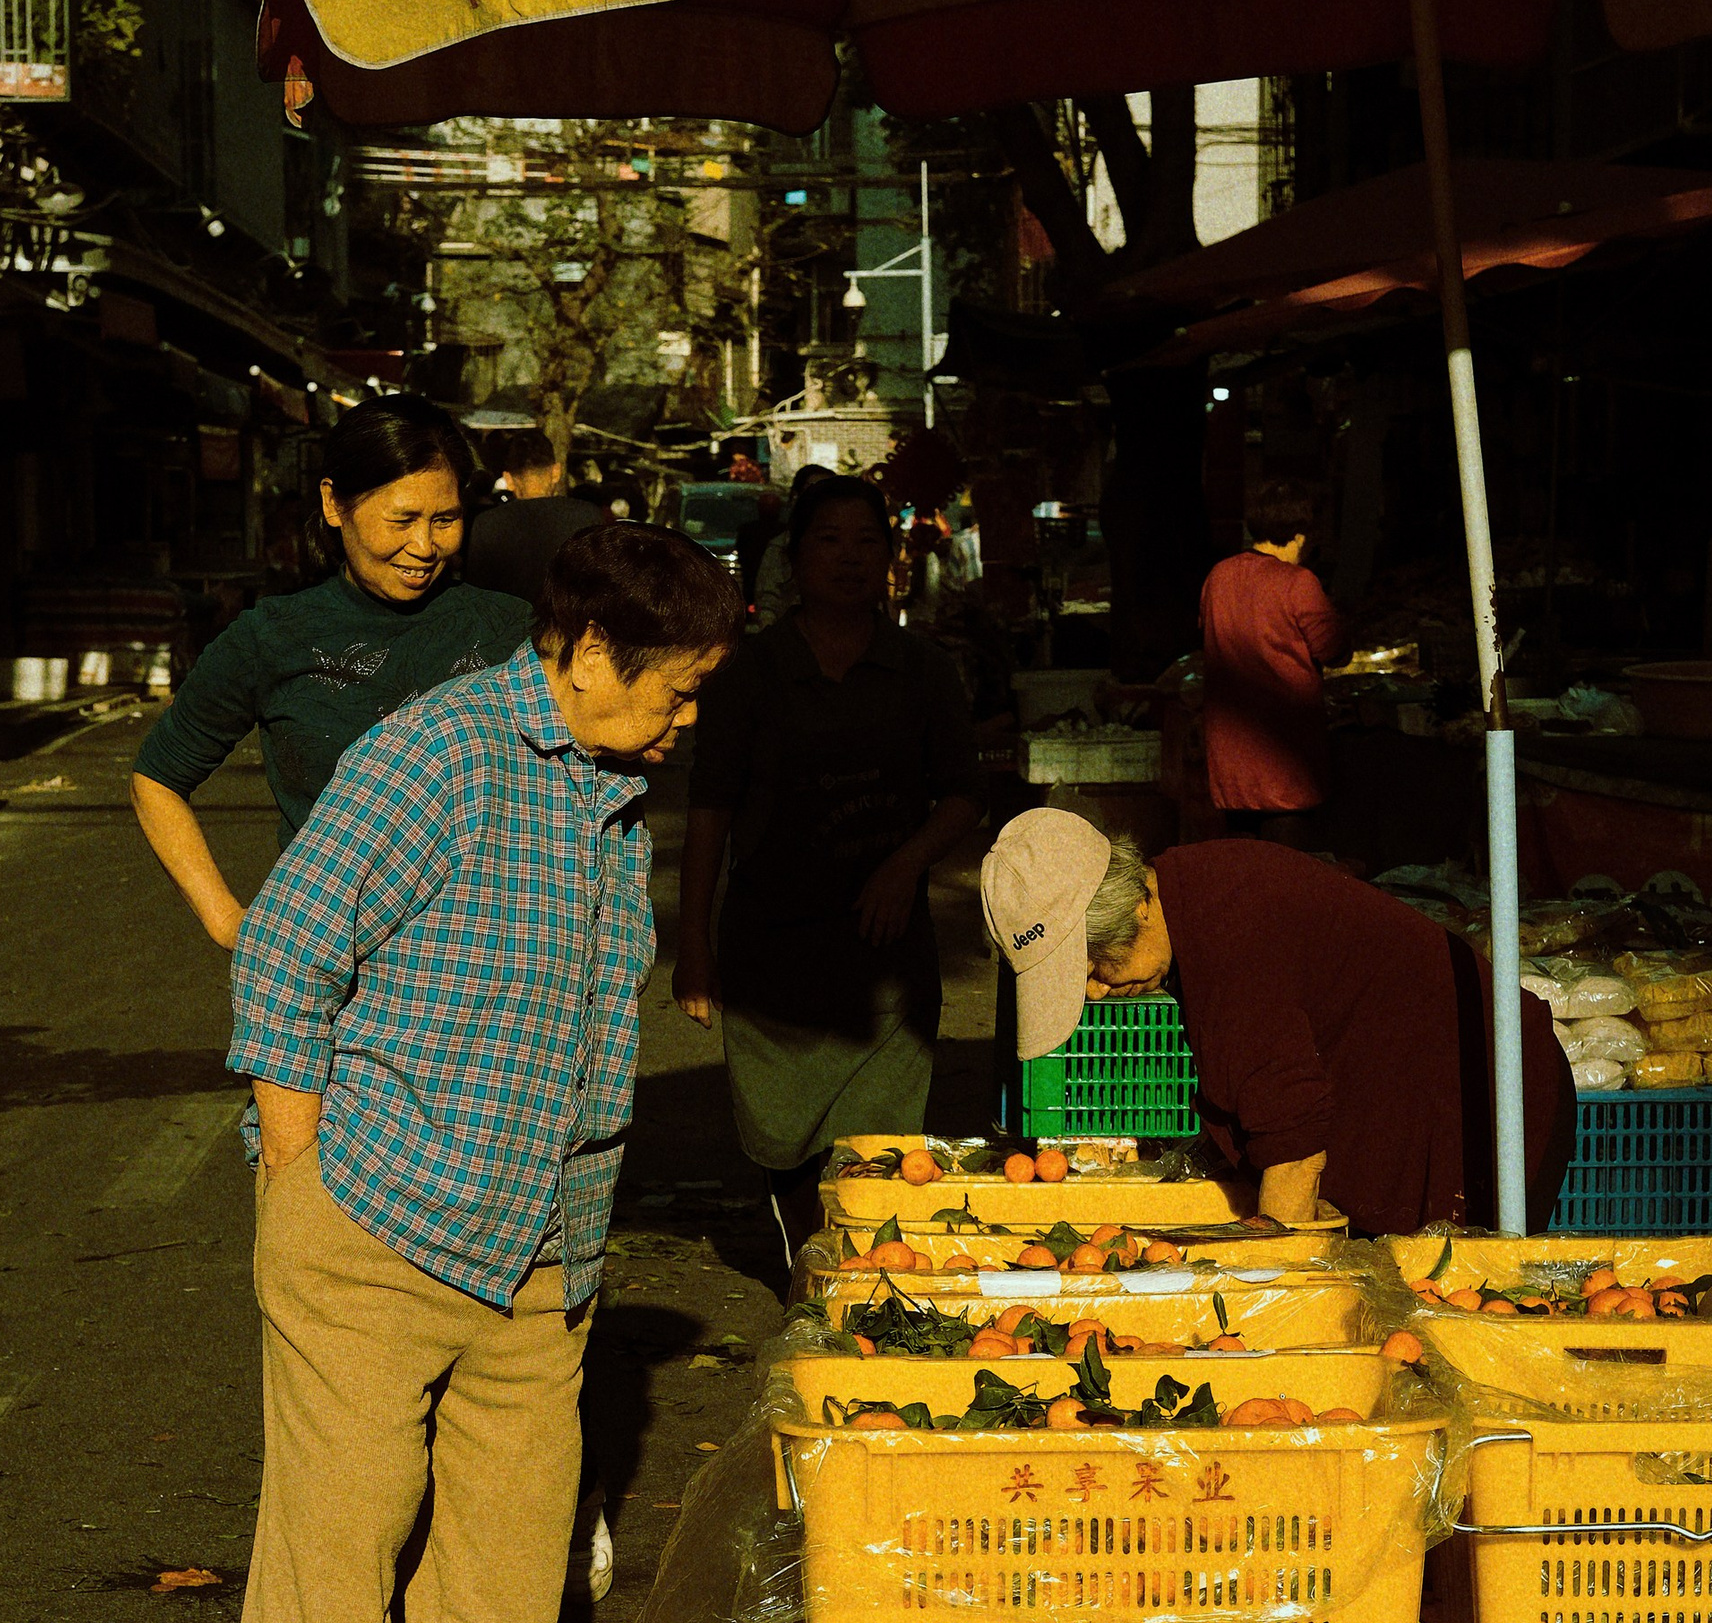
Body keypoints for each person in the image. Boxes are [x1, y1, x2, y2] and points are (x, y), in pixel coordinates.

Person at [225, 523, 742, 1623]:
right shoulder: (437, 754)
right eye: (677, 688)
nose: (688, 720)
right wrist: (297, 1164)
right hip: (379, 1202)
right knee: (348, 1510)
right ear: (583, 654)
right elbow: (286, 949)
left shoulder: (607, 784)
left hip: (545, 1220)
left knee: (517, 1510)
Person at [979, 810, 1573, 1236]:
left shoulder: (1231, 938)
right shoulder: (1192, 885)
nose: (1093, 989)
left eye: (1095, 963)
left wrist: (1267, 1307)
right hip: (1424, 1099)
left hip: (1492, 1108)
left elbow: (1293, 1146)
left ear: (1134, 904)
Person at [673, 468, 983, 1269]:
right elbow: (709, 808)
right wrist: (695, 946)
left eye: (866, 541)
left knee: (878, 1154)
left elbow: (962, 796)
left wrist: (904, 865)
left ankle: (860, 1289)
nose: (849, 557)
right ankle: (807, 1267)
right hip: (772, 951)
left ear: (890, 557)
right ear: (795, 556)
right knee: (783, 1143)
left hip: (887, 962)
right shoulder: (749, 672)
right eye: (829, 539)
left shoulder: (923, 670)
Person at [128, 402, 528, 943]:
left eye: (445, 519)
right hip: (333, 977)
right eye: (402, 519)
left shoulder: (513, 630)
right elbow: (157, 779)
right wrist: (226, 920)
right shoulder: (273, 635)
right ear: (334, 504)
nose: (425, 547)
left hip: (489, 967)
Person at [1198, 463, 1346, 841]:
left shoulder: (1218, 578)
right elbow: (1333, 649)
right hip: (1285, 761)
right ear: (1299, 536)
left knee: (1244, 878)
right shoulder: (1298, 583)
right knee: (1287, 879)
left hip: (1230, 763)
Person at [460, 428, 607, 607]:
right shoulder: (588, 516)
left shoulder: (487, 524)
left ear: (509, 479)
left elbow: (476, 594)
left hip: (509, 630)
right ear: (556, 472)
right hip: (569, 630)